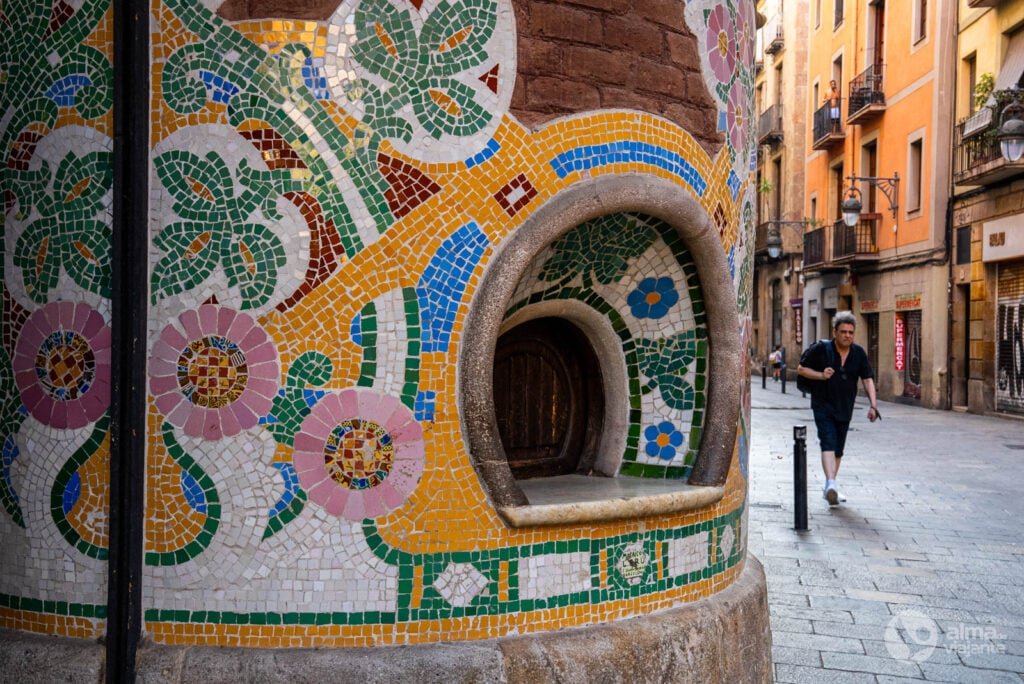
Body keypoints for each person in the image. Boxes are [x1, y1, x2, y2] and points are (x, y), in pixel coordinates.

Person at [797, 311, 879, 506]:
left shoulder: (858, 353)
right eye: (843, 332)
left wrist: (873, 405)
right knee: (828, 440)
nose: (847, 335)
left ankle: (829, 485)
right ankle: (832, 483)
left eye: (851, 332)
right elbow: (801, 369)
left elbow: (867, 379)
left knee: (838, 449)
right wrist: (821, 375)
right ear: (835, 332)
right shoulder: (821, 349)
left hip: (845, 407)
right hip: (822, 404)